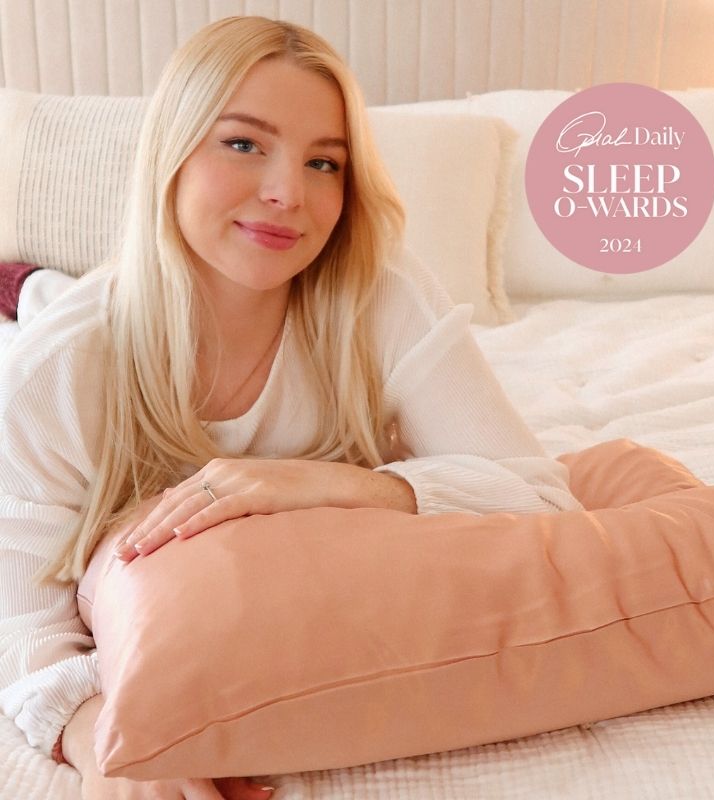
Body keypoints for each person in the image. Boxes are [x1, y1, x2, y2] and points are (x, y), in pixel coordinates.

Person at [0, 15, 582, 800]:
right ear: (170, 150)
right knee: (46, 303)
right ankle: (26, 280)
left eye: (324, 163)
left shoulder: (378, 296)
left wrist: (323, 481)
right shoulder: (54, 371)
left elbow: (542, 494)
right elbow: (23, 630)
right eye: (243, 144)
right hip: (86, 318)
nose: (287, 195)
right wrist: (103, 739)